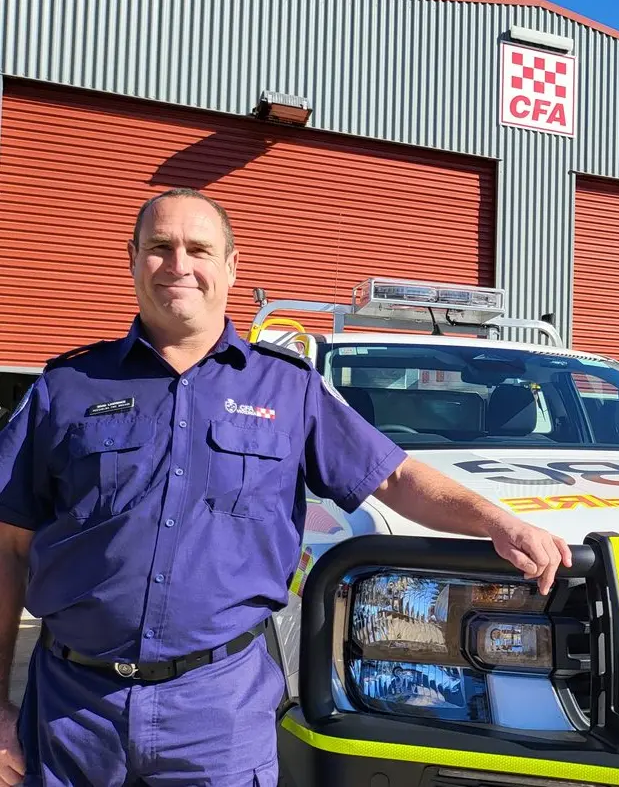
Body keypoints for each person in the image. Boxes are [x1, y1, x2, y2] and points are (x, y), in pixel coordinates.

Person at [0, 188, 573, 786]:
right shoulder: (66, 388)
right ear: (131, 258)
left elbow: (396, 476)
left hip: (217, 713)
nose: (179, 266)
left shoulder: (288, 389)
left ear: (230, 266)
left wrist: (498, 521)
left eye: (199, 248)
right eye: (159, 247)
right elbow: (7, 549)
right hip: (72, 713)